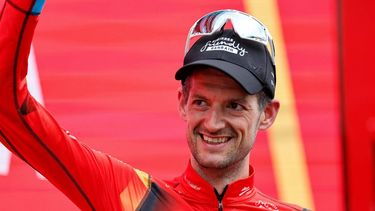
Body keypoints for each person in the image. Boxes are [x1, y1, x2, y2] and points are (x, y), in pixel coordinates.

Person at [0, 0, 310, 210]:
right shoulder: (131, 196)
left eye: (234, 106)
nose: (214, 123)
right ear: (182, 102)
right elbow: (7, 108)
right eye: (201, 102)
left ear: (267, 114)